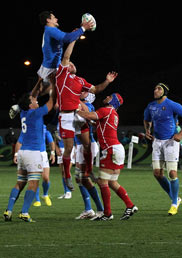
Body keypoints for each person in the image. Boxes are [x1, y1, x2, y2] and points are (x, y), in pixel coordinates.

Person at [56, 39, 118, 191]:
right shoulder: (61, 76)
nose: (71, 64)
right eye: (69, 63)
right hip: (66, 116)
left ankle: (88, 171)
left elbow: (96, 89)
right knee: (69, 148)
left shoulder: (80, 80)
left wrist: (107, 81)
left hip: (78, 115)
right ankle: (67, 176)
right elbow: (66, 57)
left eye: (72, 63)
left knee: (87, 144)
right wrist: (73, 40)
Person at [9, 11, 94, 119]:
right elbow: (67, 38)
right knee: (49, 93)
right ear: (48, 20)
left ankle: (20, 107)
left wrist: (75, 34)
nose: (56, 19)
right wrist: (83, 28)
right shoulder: (50, 30)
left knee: (68, 75)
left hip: (53, 66)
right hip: (51, 69)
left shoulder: (51, 31)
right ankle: (62, 117)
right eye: (54, 17)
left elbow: (67, 38)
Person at [77, 93, 138, 221]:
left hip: (111, 149)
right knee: (112, 182)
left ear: (114, 101)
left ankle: (107, 213)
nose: (107, 96)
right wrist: (91, 121)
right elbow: (99, 124)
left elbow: (90, 115)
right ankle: (130, 205)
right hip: (115, 148)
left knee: (103, 182)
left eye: (110, 96)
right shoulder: (113, 113)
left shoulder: (106, 110)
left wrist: (76, 111)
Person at [3, 79, 55, 222]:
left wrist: (39, 81)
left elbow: (32, 95)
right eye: (34, 100)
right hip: (33, 153)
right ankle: (24, 212)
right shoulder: (36, 113)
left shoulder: (24, 113)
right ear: (30, 104)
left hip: (22, 153)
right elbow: (51, 103)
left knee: (20, 182)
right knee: (33, 183)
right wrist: (54, 87)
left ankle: (8, 210)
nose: (36, 101)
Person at [143, 83, 182, 216]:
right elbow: (146, 119)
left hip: (171, 142)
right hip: (157, 142)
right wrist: (147, 129)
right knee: (157, 174)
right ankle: (176, 198)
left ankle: (173, 203)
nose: (155, 90)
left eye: (159, 89)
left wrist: (181, 134)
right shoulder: (151, 106)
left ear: (164, 92)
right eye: (154, 88)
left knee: (172, 173)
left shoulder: (172, 104)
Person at [74, 91, 104, 220]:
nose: (80, 93)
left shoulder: (89, 107)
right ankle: (88, 209)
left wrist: (76, 100)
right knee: (79, 178)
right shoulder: (75, 104)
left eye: (84, 92)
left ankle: (100, 209)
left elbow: (88, 114)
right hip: (80, 146)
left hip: (89, 145)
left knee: (84, 178)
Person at [14, 125, 55, 207]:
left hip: (43, 154)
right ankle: (37, 200)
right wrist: (16, 154)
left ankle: (45, 195)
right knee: (35, 178)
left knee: (46, 178)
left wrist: (53, 153)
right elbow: (20, 141)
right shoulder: (28, 127)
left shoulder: (43, 128)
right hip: (32, 153)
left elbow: (51, 141)